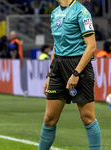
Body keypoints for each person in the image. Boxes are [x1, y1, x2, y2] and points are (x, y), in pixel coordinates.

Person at [38, 0, 101, 150]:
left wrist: (76, 73)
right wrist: (49, 74)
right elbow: (56, 45)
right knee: (49, 119)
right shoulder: (54, 13)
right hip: (58, 67)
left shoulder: (82, 12)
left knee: (87, 118)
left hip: (78, 66)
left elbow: (91, 46)